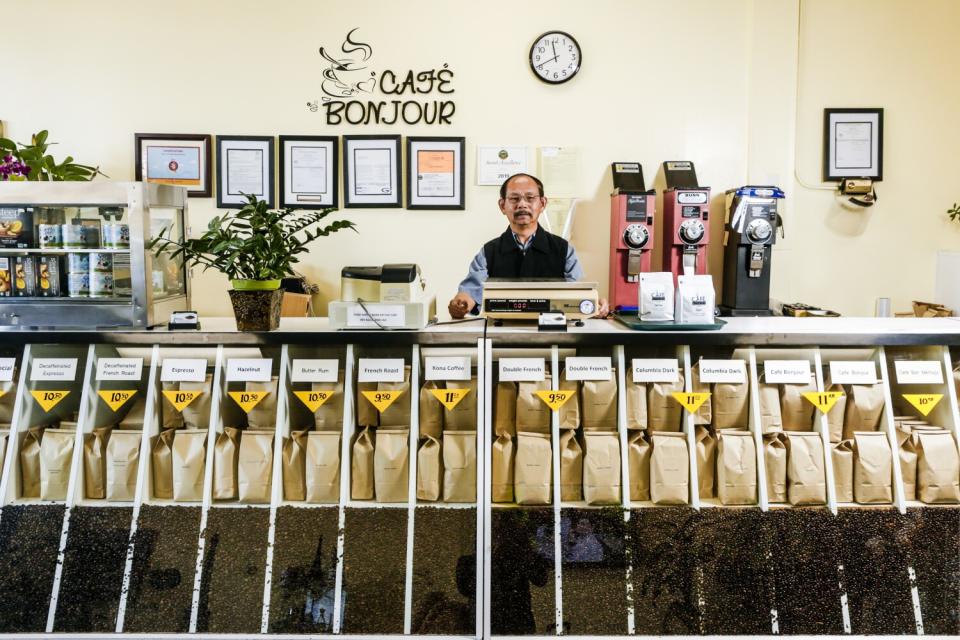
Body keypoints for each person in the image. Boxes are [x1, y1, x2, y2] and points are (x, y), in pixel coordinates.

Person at [448, 173, 609, 319]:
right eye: (514, 199)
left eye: (530, 198)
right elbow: (469, 293)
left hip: (553, 336)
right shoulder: (488, 252)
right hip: (500, 336)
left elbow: (579, 293)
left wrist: (595, 304)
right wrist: (460, 304)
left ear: (542, 203)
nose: (522, 204)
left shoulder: (563, 249)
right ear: (502, 205)